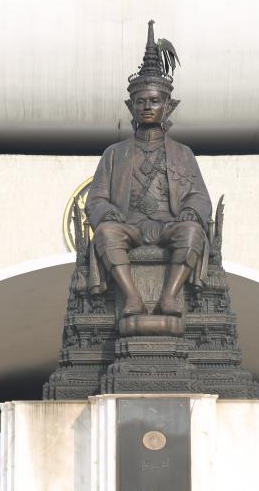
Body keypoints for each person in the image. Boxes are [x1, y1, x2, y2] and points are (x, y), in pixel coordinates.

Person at [86, 21, 211, 317]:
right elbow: (96, 199)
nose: (147, 107)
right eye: (141, 102)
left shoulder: (183, 154)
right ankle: (131, 297)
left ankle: (169, 296)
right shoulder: (114, 154)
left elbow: (199, 197)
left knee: (193, 232)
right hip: (128, 225)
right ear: (131, 106)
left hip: (170, 225)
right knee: (105, 232)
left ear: (168, 106)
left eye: (154, 101)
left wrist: (189, 212)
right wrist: (108, 213)